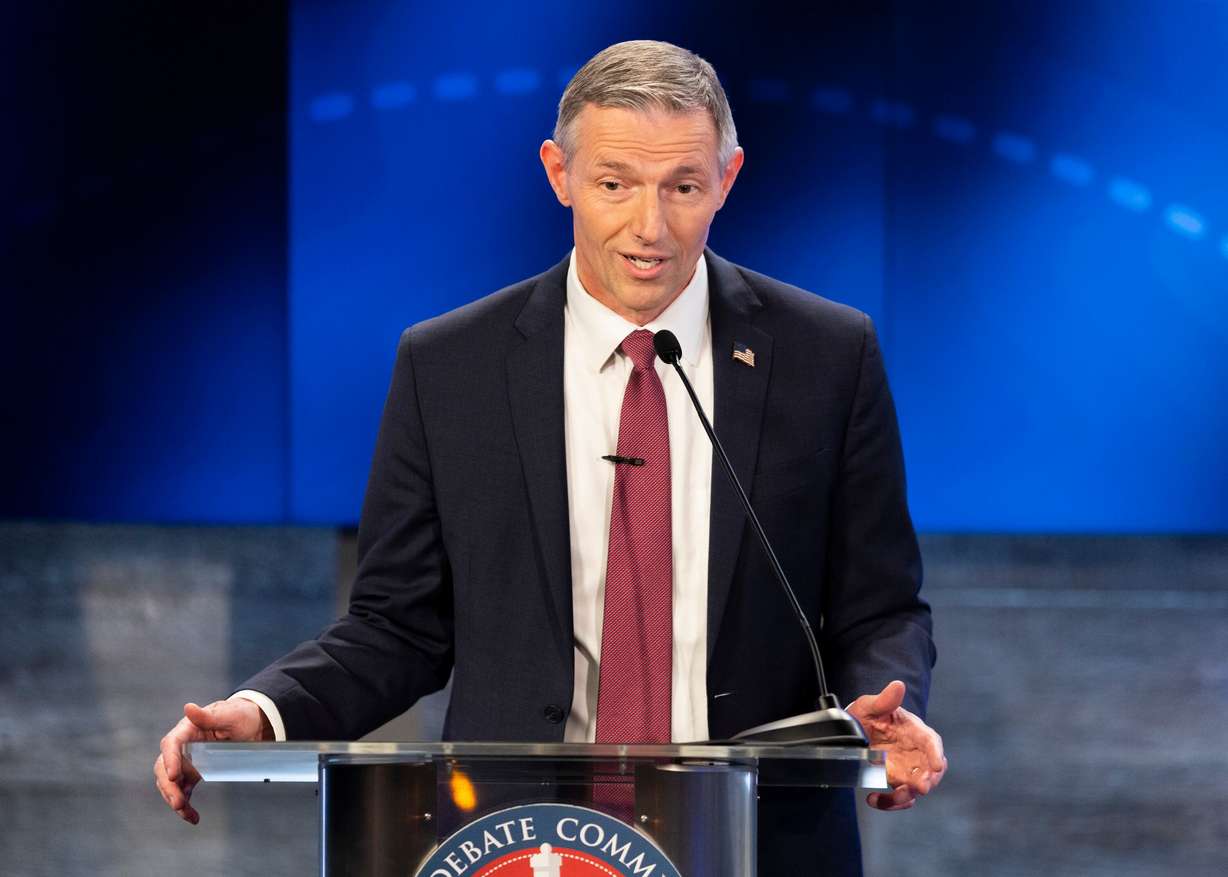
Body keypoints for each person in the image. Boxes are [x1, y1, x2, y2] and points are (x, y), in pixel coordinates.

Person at [154, 39, 946, 875]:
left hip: (761, 841)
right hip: (517, 842)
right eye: (615, 185)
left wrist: (888, 706)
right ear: (559, 174)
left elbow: (879, 606)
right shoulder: (449, 366)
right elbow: (396, 624)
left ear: (728, 178)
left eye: (682, 187)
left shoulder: (827, 356)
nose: (650, 226)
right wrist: (266, 709)